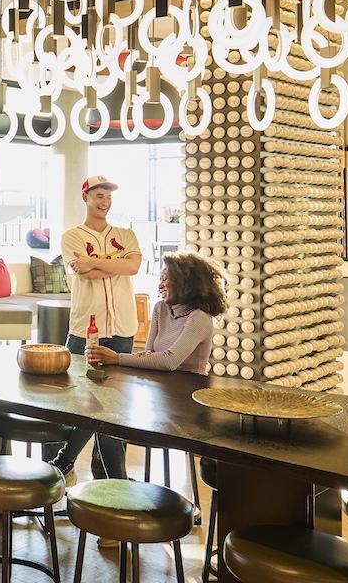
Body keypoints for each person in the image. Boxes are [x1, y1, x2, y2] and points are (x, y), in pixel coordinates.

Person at [50, 174, 142, 486]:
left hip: (122, 329)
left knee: (112, 405)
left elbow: (132, 267)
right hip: (85, 328)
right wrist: (102, 265)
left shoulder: (126, 234)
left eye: (108, 196)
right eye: (98, 196)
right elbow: (85, 275)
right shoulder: (72, 236)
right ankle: (105, 474)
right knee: (84, 401)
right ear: (86, 197)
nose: (104, 202)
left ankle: (75, 464)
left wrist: (94, 263)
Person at [87, 251, 226, 374]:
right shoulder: (160, 308)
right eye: (160, 279)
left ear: (185, 281)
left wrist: (117, 358)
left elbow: (169, 361)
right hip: (162, 388)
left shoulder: (200, 317)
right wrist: (144, 357)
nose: (160, 285)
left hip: (189, 392)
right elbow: (148, 355)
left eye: (165, 278)